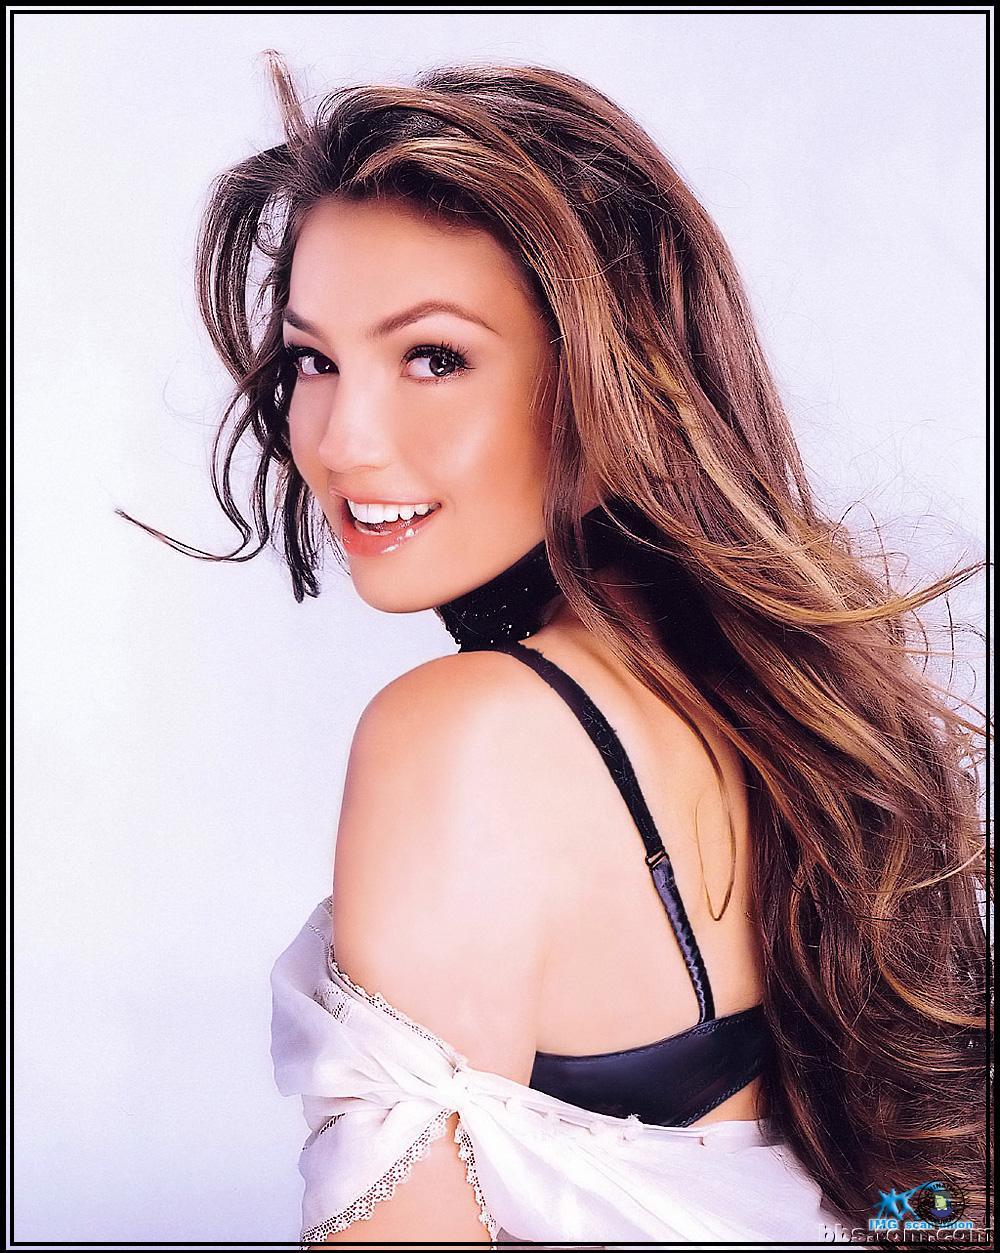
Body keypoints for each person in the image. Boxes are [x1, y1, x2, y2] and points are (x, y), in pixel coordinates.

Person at [118, 53, 989, 1246]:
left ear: (604, 377)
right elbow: (917, 1202)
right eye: (315, 358)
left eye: (433, 357)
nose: (341, 438)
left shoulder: (464, 734)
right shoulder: (767, 699)